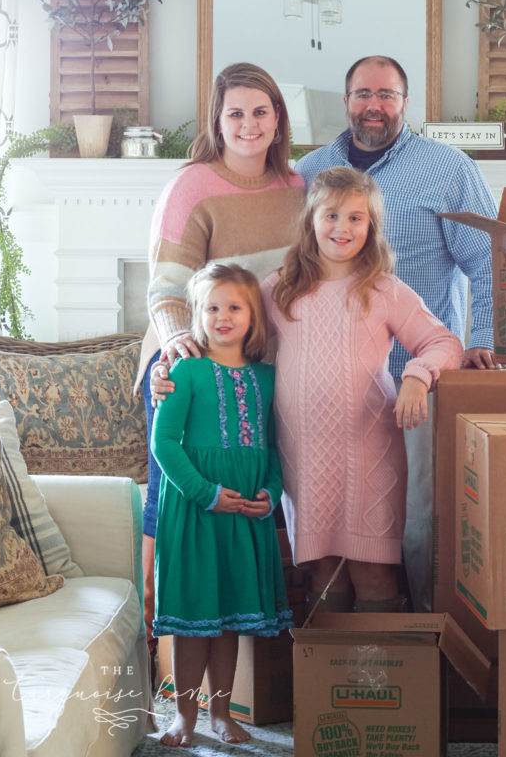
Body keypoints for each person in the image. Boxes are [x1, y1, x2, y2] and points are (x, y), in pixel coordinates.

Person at [295, 55, 499, 611]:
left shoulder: (449, 169)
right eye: (363, 94)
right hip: (334, 404)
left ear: (405, 104)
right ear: (346, 101)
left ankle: (424, 651)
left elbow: (487, 259)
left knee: (415, 531)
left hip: (417, 387)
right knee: (331, 545)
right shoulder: (310, 170)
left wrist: (481, 337)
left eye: (387, 95)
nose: (374, 106)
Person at [139, 62, 304, 680]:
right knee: (174, 512)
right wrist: (177, 345)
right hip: (187, 367)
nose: (248, 124)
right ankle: (161, 667)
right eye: (234, 112)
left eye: (260, 111)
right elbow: (165, 286)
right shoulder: (191, 185)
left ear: (278, 118)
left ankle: (246, 683)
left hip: (256, 372)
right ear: (217, 120)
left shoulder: (298, 184)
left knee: (248, 509)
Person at [261, 167, 464, 612]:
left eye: (356, 218)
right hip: (305, 454)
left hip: (369, 451)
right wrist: (175, 361)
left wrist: (417, 374)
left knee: (372, 569)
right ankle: (327, 678)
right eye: (331, 215)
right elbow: (230, 335)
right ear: (311, 219)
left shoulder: (384, 289)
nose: (342, 227)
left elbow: (444, 343)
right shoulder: (280, 289)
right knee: (321, 567)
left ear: (371, 227)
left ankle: (378, 678)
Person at [152, 262, 291, 747]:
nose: (222, 316)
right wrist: (205, 492)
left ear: (254, 317)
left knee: (228, 620)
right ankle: (183, 717)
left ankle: (222, 713)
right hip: (196, 511)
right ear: (196, 314)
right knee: (194, 621)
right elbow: (164, 443)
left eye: (234, 307)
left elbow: (274, 448)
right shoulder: (184, 371)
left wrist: (271, 495)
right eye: (211, 307)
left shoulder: (268, 378)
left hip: (244, 516)